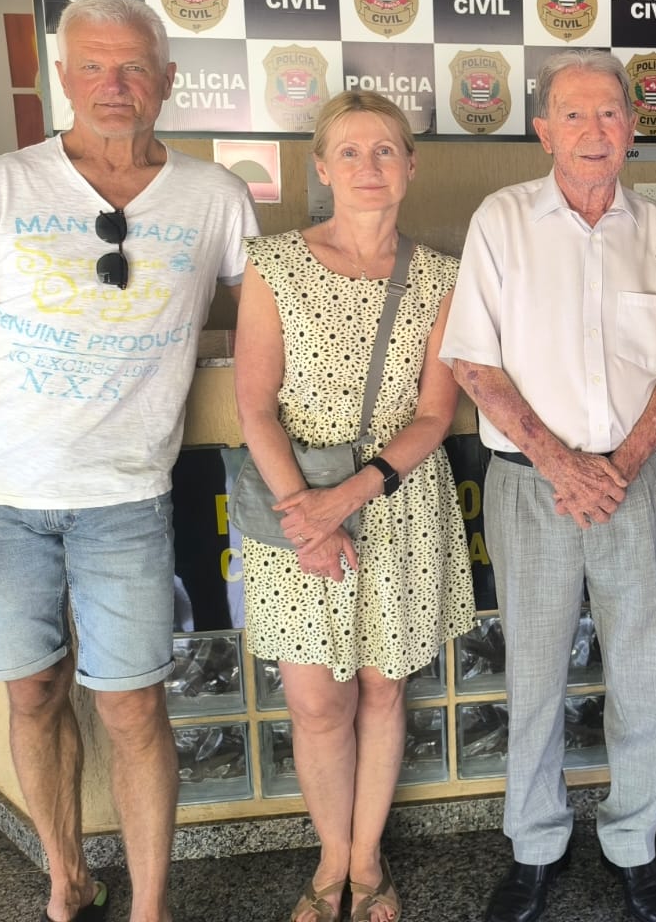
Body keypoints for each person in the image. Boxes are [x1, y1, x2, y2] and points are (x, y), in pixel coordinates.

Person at [0, 0, 258, 922]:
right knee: (33, 693)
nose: (115, 85)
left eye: (134, 66)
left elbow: (268, 320)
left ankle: (151, 907)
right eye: (94, 66)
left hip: (127, 498)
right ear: (60, 76)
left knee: (133, 706)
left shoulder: (214, 197)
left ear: (167, 81)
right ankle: (65, 880)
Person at [440, 50, 656, 922]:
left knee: (643, 671)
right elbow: (474, 365)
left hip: (638, 482)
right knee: (535, 676)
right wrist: (562, 464)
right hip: (531, 486)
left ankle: (635, 845)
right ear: (544, 130)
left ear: (633, 128)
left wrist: (618, 469)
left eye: (610, 113)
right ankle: (534, 847)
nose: (595, 131)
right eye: (575, 115)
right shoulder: (502, 220)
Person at [234, 91, 475, 922]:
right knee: (316, 702)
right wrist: (306, 512)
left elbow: (435, 415)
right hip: (293, 508)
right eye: (349, 151)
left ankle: (366, 860)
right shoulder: (273, 264)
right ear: (322, 167)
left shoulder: (440, 277)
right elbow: (254, 406)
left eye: (384, 151)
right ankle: (330, 857)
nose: (368, 167)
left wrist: (345, 498)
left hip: (394, 503)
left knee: (381, 690)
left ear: (410, 165)